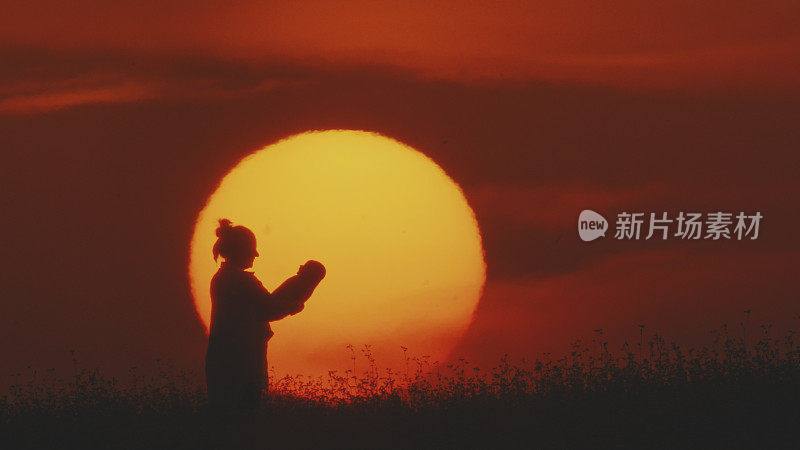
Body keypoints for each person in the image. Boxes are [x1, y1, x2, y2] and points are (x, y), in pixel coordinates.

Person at [205, 219, 325, 410]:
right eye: (252, 251)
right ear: (241, 251)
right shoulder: (242, 281)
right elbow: (269, 309)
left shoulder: (222, 278)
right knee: (244, 414)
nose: (256, 255)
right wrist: (295, 305)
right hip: (242, 359)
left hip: (226, 357)